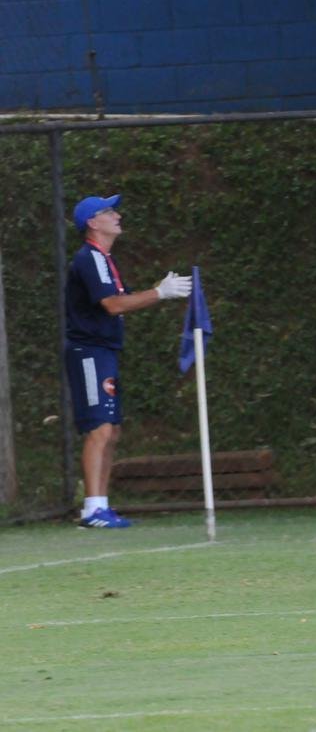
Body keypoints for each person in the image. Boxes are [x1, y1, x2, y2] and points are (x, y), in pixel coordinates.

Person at [64, 194, 192, 528]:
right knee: (99, 428)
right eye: (109, 211)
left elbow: (122, 299)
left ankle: (101, 506)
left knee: (112, 429)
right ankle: (92, 510)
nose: (117, 215)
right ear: (93, 222)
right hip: (88, 352)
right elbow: (113, 305)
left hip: (104, 351)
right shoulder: (90, 258)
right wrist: (160, 293)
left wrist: (157, 291)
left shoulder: (105, 259)